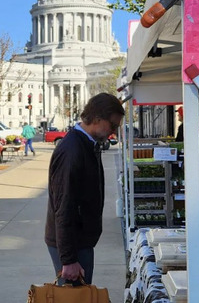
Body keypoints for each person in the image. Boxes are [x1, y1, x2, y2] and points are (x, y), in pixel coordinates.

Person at [45, 93, 125, 285]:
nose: (113, 131)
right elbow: (63, 206)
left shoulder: (87, 144)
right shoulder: (72, 150)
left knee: (80, 294)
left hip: (79, 241)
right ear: (97, 120)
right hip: (73, 244)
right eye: (112, 125)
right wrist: (69, 259)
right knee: (75, 296)